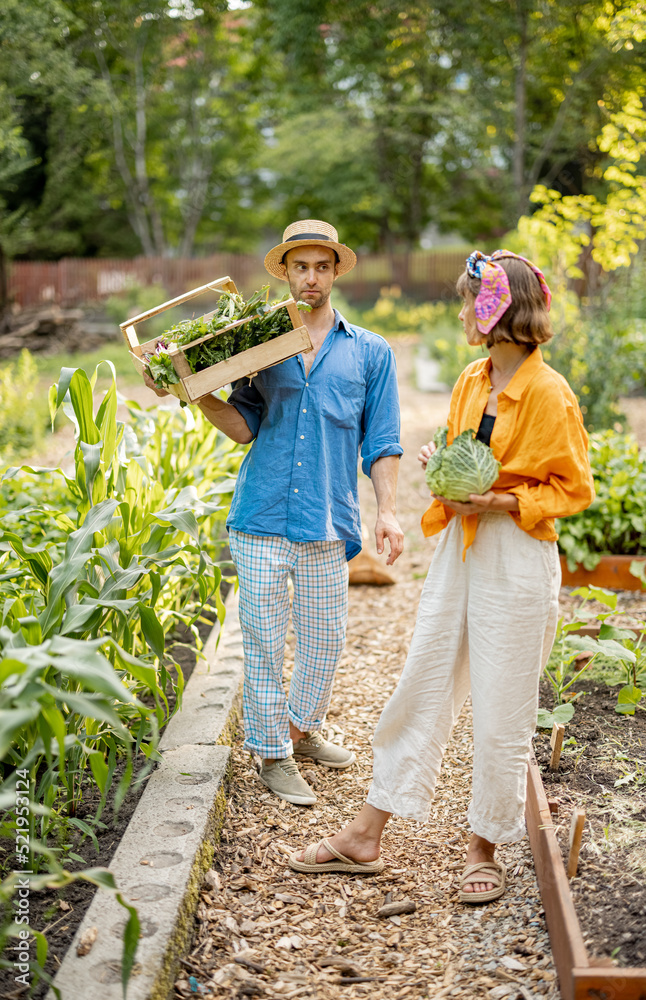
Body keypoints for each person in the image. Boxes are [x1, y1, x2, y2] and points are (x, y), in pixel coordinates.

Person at [289, 249, 595, 902]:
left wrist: (498, 500)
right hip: (460, 549)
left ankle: (483, 844)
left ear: (494, 311)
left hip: (514, 556)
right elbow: (461, 454)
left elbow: (571, 489)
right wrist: (442, 462)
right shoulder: (470, 379)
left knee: (501, 705)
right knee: (420, 680)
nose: (459, 314)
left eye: (467, 303)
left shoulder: (548, 392)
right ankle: (367, 831)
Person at [144, 219, 404, 806]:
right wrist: (192, 386)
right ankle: (271, 753)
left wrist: (387, 512)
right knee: (262, 641)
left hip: (329, 518)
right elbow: (243, 429)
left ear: (336, 271)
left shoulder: (370, 352)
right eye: (299, 267)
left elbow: (382, 440)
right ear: (284, 273)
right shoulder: (256, 347)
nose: (310, 278)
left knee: (324, 640)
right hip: (260, 515)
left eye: (321, 266)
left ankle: (301, 730)